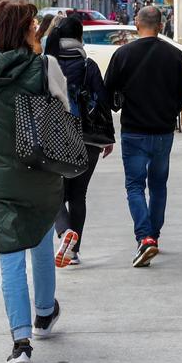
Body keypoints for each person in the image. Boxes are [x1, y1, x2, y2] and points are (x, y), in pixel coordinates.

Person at [0, 0, 70, 363]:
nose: (35, 31)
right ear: (21, 31)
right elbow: (65, 113)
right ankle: (45, 313)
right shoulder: (46, 67)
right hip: (39, 172)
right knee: (40, 239)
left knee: (10, 254)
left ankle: (20, 341)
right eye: (31, 26)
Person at [103, 5, 182, 268]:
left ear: (136, 23)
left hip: (134, 131)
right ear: (161, 25)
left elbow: (108, 93)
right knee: (159, 185)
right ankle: (155, 235)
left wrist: (118, 106)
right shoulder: (174, 55)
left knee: (134, 186)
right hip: (163, 131)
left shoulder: (123, 54)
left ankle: (145, 237)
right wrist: (168, 113)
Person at [44, 16, 115, 267]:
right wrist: (108, 138)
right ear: (79, 36)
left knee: (52, 193)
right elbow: (102, 102)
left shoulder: (46, 63)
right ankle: (73, 252)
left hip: (55, 137)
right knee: (78, 195)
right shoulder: (88, 65)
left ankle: (64, 233)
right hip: (87, 138)